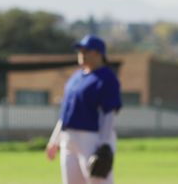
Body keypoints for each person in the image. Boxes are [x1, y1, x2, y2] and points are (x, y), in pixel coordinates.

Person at [46, 34, 122, 184]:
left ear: (99, 54)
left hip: (91, 138)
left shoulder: (107, 78)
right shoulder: (76, 77)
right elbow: (67, 111)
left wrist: (104, 144)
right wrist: (55, 139)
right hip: (69, 139)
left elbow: (108, 113)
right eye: (80, 50)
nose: (81, 54)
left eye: (86, 51)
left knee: (98, 181)